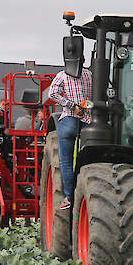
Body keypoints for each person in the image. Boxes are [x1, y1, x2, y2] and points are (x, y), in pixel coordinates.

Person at [46, 58, 92, 210]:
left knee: (66, 162)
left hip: (69, 120)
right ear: (84, 60)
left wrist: (71, 105)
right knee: (87, 160)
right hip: (88, 121)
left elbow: (52, 93)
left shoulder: (62, 75)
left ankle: (69, 197)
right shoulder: (89, 75)